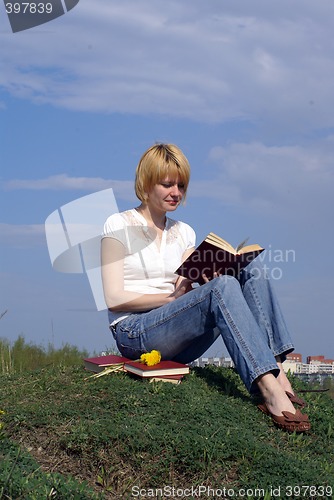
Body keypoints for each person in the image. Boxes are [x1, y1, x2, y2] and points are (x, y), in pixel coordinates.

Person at [101, 143, 310, 433]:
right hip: (134, 333)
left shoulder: (183, 231)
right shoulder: (117, 224)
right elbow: (113, 299)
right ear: (146, 184)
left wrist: (202, 278)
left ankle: (277, 370)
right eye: (167, 184)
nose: (176, 192)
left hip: (176, 332)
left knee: (249, 268)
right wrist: (171, 298)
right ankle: (269, 390)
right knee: (221, 287)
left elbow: (189, 283)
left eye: (181, 185)